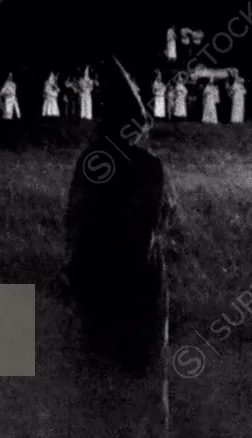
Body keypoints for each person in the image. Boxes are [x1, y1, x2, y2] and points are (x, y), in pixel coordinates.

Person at [63, 55, 179, 435]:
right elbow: (163, 221)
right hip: (138, 284)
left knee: (101, 381)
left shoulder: (90, 162)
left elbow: (74, 223)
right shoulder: (147, 167)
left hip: (96, 280)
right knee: (143, 380)